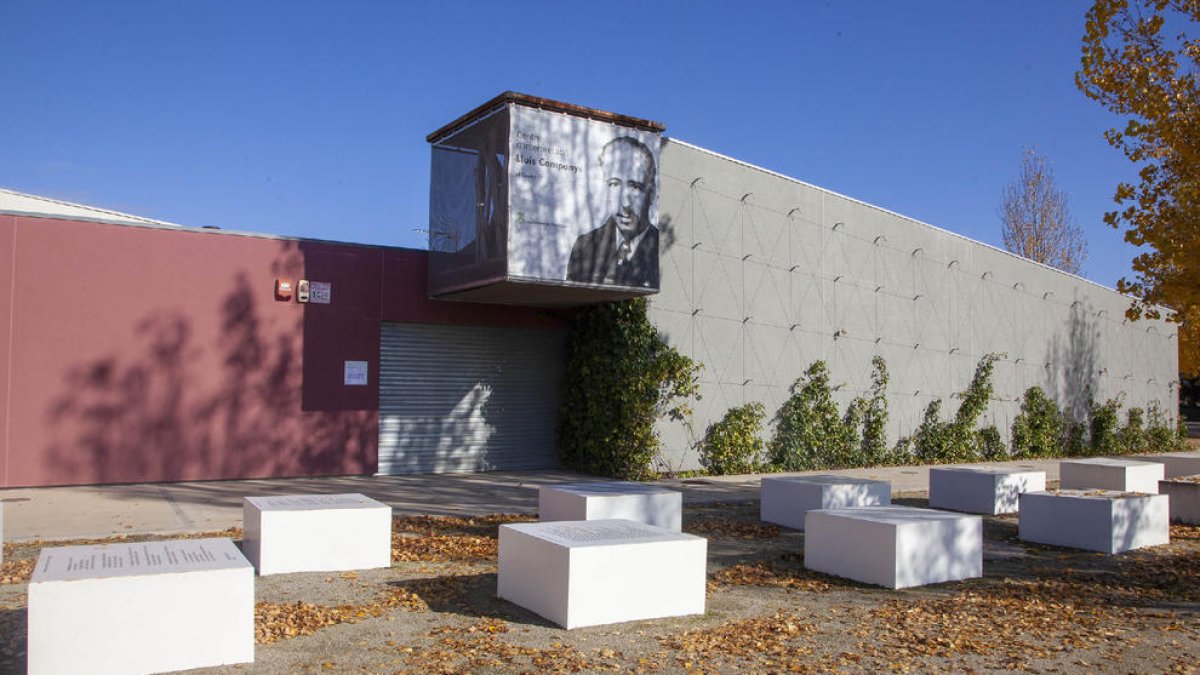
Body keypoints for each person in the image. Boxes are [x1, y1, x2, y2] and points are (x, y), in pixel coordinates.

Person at [566, 136, 659, 288]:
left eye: (635, 187)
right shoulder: (583, 246)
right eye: (614, 184)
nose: (625, 203)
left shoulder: (659, 248)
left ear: (652, 193)